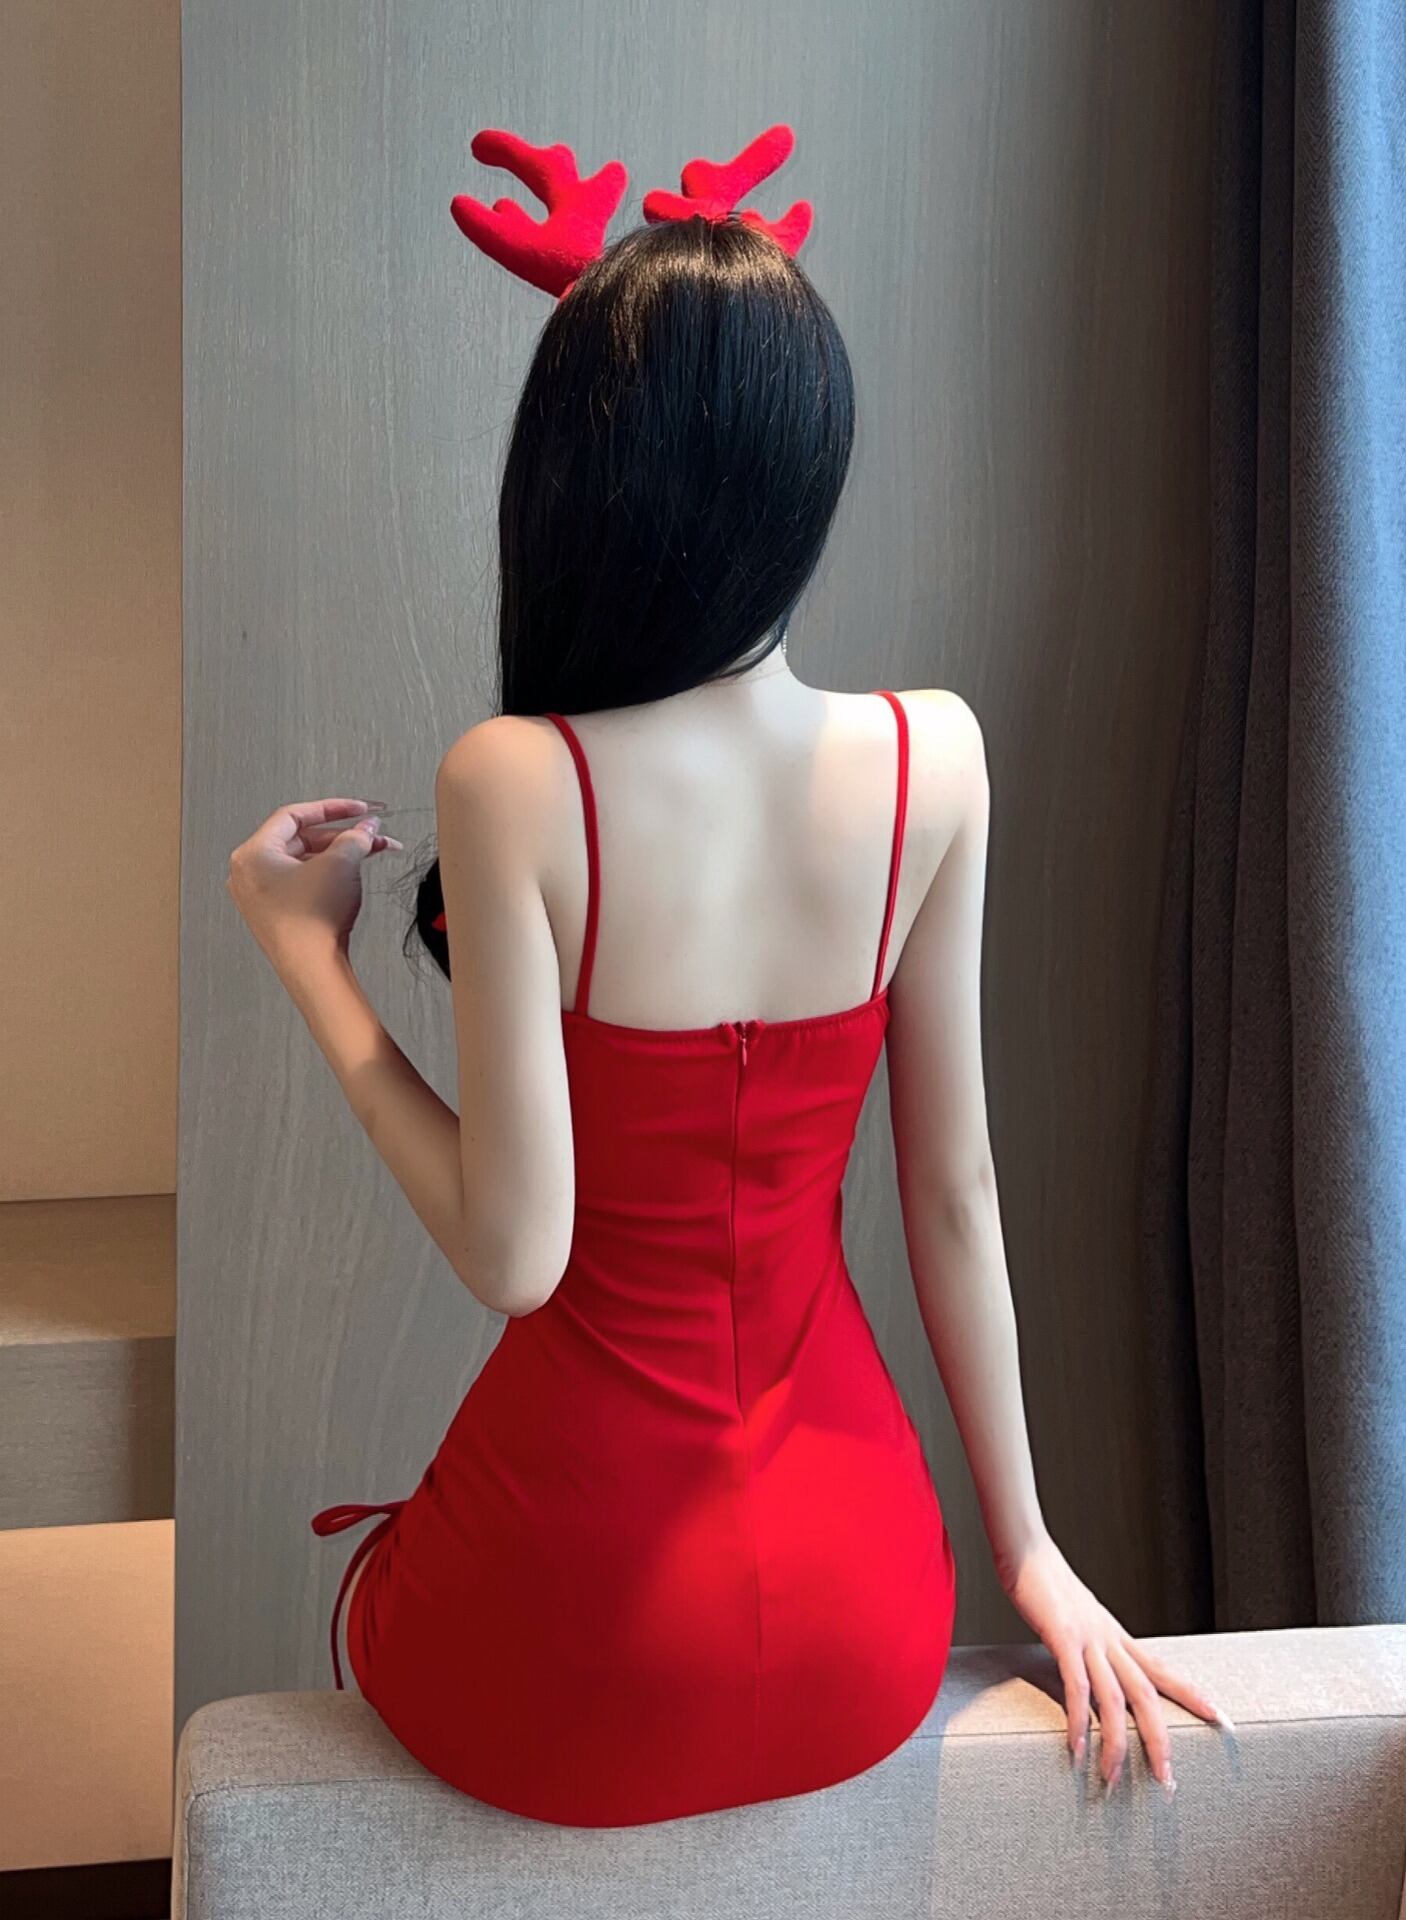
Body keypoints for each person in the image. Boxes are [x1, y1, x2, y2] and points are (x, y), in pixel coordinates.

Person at [225, 127, 1227, 1828]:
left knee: (388, 1600)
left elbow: (517, 1258)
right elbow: (956, 1199)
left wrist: (305, 958)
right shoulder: (936, 760)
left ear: (576, 486)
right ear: (802, 466)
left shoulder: (518, 780)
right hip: (864, 1619)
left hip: (587, 1630)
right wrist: (1034, 1554)